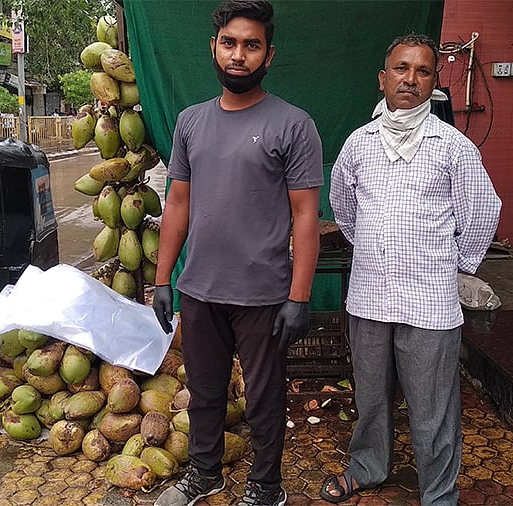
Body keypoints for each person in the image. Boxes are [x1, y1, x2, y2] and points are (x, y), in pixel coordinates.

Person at [151, 1, 323, 505]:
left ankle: (266, 488)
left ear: (269, 56)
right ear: (214, 48)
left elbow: (306, 216)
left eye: (252, 46)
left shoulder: (293, 124)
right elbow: (177, 203)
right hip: (200, 289)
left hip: (263, 293)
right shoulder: (190, 122)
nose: (239, 55)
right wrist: (164, 279)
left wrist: (300, 296)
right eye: (230, 43)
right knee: (205, 394)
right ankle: (206, 474)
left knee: (265, 399)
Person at [323, 34, 501, 505]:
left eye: (423, 71)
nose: (410, 79)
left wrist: (453, 267)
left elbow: (483, 211)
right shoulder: (359, 144)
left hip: (430, 301)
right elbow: (343, 205)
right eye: (401, 69)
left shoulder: (452, 147)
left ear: (433, 83)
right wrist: (375, 248)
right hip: (369, 295)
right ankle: (369, 466)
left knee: (433, 409)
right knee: (372, 398)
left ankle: (439, 494)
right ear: (383, 79)